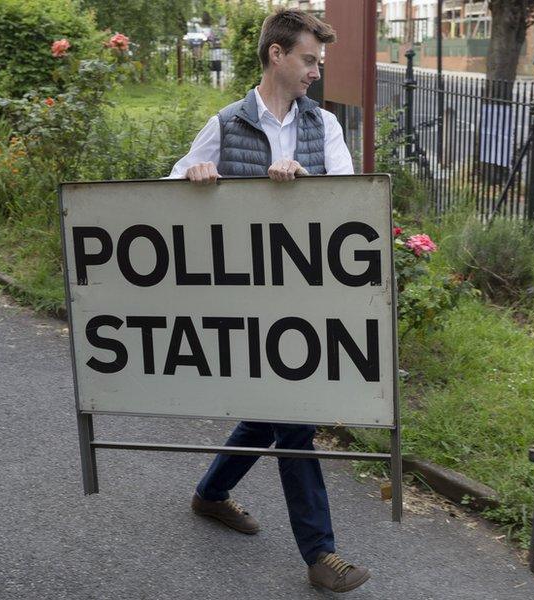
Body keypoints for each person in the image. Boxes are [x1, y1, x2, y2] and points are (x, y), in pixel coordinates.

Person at [167, 7, 369, 594]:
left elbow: (348, 205)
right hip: (244, 302)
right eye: (308, 59)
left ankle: (209, 494)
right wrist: (195, 182)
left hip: (304, 300)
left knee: (272, 409)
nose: (315, 71)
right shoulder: (226, 124)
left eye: (319, 62)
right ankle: (320, 554)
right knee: (294, 420)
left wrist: (307, 189)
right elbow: (159, 201)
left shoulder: (323, 127)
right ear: (277, 55)